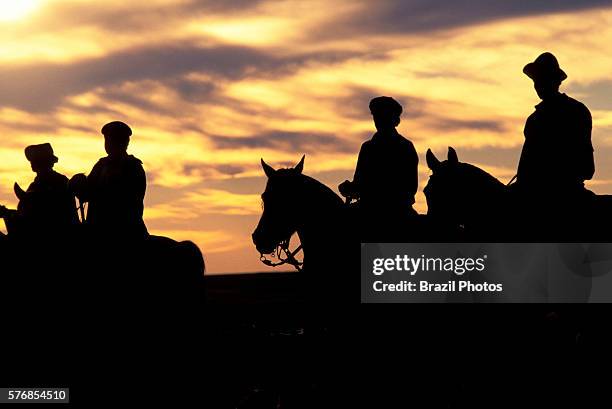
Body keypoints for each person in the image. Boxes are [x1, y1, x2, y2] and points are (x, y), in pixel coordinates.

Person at [513, 52, 595, 237]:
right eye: (535, 81)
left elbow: (586, 167)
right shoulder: (533, 120)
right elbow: (524, 169)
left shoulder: (576, 112)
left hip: (567, 197)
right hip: (534, 196)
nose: (537, 86)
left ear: (555, 82)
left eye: (541, 79)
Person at [339, 96, 419, 238]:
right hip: (367, 210)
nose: (378, 120)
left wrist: (361, 190)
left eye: (383, 115)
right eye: (376, 116)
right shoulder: (367, 147)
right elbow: (359, 182)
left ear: (394, 119)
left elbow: (410, 187)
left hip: (397, 213)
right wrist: (350, 188)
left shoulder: (404, 147)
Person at [71, 121, 148, 242]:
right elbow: (86, 193)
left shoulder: (133, 166)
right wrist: (78, 184)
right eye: (107, 140)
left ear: (124, 142)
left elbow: (125, 199)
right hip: (97, 228)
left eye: (112, 140)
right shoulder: (101, 164)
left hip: (125, 230)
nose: (108, 144)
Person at [0, 143, 79, 241]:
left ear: (45, 162)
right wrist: (7, 212)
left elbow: (50, 214)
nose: (32, 163)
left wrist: (8, 213)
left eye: (36, 160)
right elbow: (23, 213)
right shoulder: (34, 185)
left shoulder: (60, 182)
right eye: (32, 160)